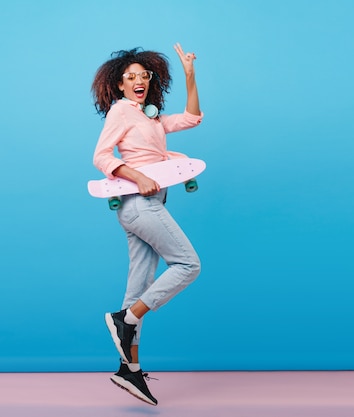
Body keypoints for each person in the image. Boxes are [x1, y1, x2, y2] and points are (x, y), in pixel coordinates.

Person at [91, 43, 203, 406]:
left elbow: (191, 118)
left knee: (138, 285)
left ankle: (130, 370)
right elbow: (101, 156)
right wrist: (137, 175)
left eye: (144, 76)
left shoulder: (150, 116)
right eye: (130, 77)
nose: (139, 81)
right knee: (187, 265)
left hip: (144, 205)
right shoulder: (122, 111)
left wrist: (190, 75)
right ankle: (127, 318)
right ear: (119, 85)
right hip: (140, 203)